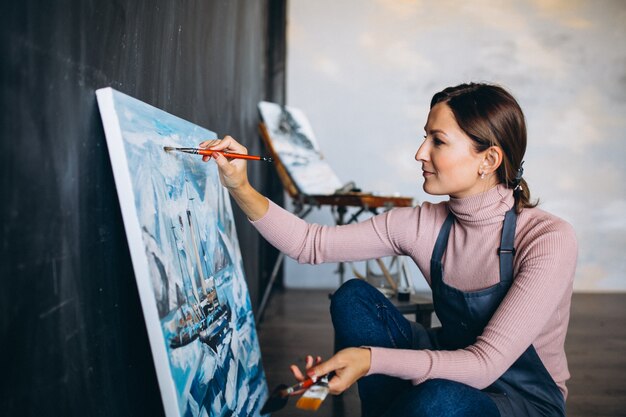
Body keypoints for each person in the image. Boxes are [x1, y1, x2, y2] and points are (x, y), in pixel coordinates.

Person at [200, 83, 577, 417]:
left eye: (438, 141)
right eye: (424, 137)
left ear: (489, 160)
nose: (419, 153)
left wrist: (368, 360)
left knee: (441, 401)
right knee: (353, 298)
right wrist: (239, 187)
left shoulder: (548, 239)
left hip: (518, 399)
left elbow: (484, 364)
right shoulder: (422, 224)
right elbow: (310, 243)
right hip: (446, 366)